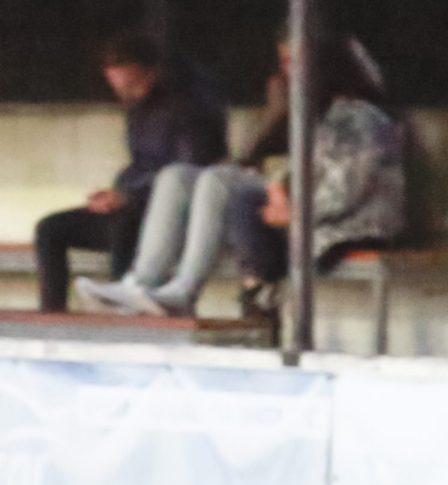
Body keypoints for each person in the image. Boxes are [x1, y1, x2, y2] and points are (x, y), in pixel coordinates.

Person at [79, 33, 405, 319]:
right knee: (177, 176)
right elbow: (287, 166)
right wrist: (277, 180)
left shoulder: (358, 117)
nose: (287, 70)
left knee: (218, 180)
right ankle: (142, 281)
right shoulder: (315, 113)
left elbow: (344, 191)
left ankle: (183, 290)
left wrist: (292, 209)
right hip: (301, 210)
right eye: (284, 62)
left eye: (294, 61)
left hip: (345, 227)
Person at [32, 32, 227, 313]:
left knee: (124, 225)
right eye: (119, 87)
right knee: (50, 228)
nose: (126, 93)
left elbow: (188, 170)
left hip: (164, 213)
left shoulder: (187, 108)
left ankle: (124, 304)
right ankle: (52, 310)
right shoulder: (138, 110)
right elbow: (138, 163)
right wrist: (115, 192)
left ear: (151, 72)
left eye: (132, 85)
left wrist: (130, 196)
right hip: (134, 201)